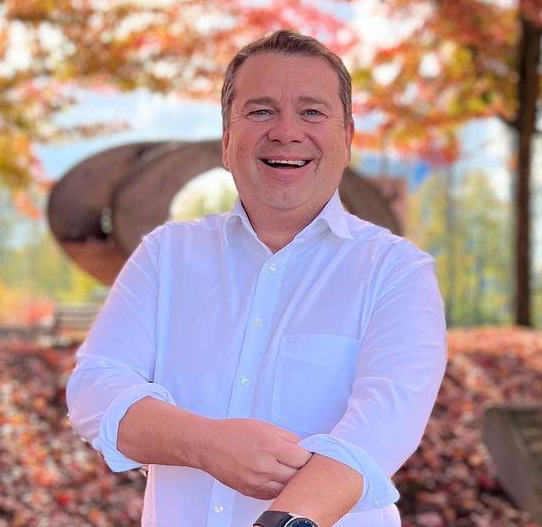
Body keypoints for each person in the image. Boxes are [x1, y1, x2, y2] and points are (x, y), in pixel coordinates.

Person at [66, 30, 447, 527]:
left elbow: (381, 428)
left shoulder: (396, 271)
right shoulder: (165, 255)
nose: (287, 131)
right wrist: (206, 444)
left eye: (312, 112)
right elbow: (94, 389)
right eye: (261, 110)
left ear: (347, 139)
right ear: (227, 140)